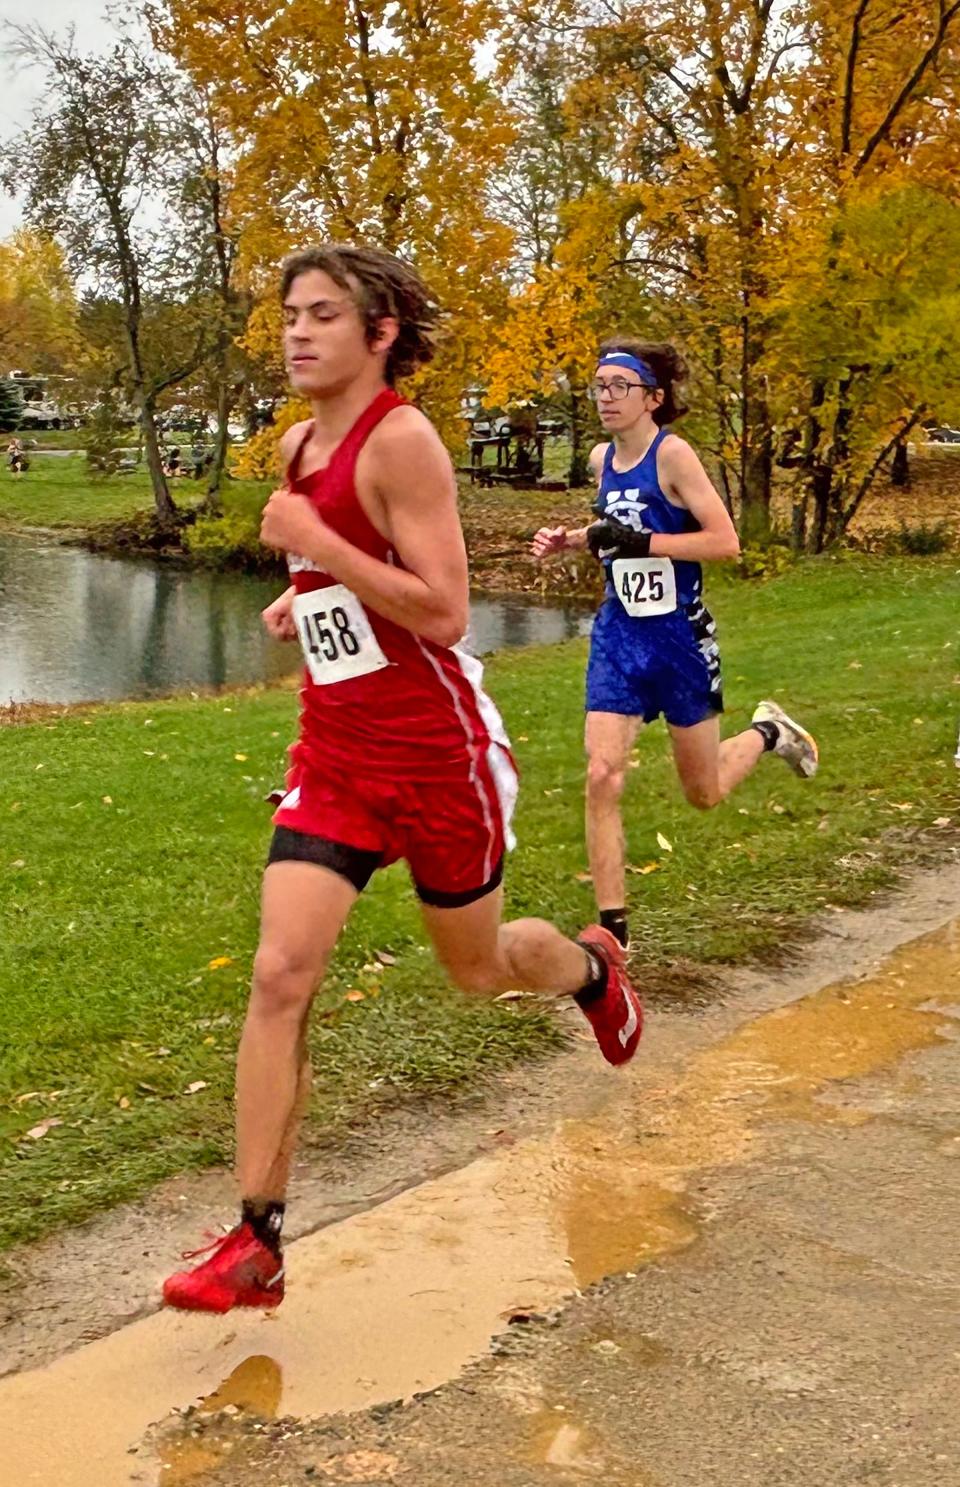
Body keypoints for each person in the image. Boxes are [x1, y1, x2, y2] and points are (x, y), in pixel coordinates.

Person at [163, 246, 644, 1314]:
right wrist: (303, 595)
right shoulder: (296, 443)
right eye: (290, 313)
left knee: (478, 970)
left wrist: (316, 542)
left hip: (439, 758)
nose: (297, 332)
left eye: (324, 314)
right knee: (280, 972)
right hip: (335, 752)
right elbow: (344, 587)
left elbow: (444, 610)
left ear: (380, 333)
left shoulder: (406, 440)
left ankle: (590, 972)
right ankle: (258, 1240)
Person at [532, 338, 818, 952]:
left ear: (653, 398)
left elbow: (724, 543)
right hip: (619, 632)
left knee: (704, 793)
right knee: (602, 773)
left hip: (679, 637)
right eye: (598, 386)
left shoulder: (674, 455)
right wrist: (575, 539)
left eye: (619, 387)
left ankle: (770, 732)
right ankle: (614, 934)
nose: (605, 397)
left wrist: (643, 545)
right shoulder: (599, 458)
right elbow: (616, 527)